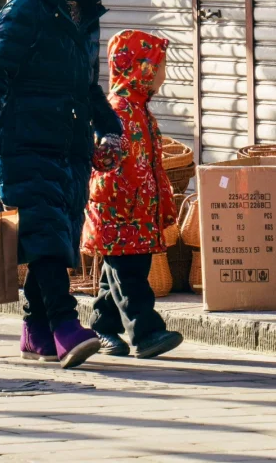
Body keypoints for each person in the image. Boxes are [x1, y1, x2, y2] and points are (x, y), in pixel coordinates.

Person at [0, 0, 124, 369]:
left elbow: (85, 85)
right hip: (20, 140)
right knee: (47, 235)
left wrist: (111, 127)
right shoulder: (29, 5)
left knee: (50, 237)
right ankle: (66, 325)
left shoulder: (82, 14)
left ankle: (35, 331)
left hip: (66, 143)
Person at [83, 30, 183, 360]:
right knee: (131, 275)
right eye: (159, 66)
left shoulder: (139, 110)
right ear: (140, 69)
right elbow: (102, 161)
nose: (163, 74)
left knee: (120, 273)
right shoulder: (118, 112)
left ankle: (102, 327)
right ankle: (146, 331)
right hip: (118, 212)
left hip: (138, 213)